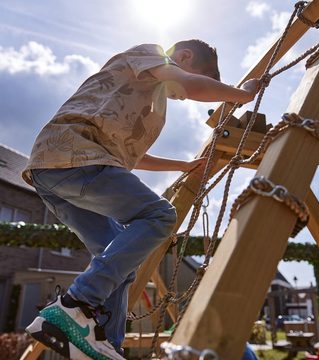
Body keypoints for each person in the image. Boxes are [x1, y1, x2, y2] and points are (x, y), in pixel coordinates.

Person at [23, 39, 260, 360]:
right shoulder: (151, 55)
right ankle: (76, 304)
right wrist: (243, 93)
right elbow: (191, 85)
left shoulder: (152, 103)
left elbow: (134, 155)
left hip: (55, 171)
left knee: (120, 261)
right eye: (190, 72)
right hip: (73, 153)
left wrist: (183, 166)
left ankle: (102, 343)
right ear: (183, 56)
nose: (181, 96)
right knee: (159, 215)